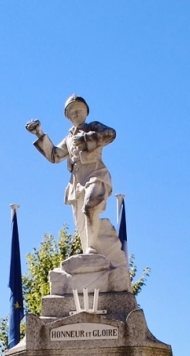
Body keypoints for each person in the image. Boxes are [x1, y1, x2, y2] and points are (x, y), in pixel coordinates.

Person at [26, 95, 125, 265]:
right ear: (68, 116)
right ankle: (89, 251)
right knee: (80, 222)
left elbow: (110, 134)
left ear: (86, 111)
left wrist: (87, 139)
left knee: (90, 206)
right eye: (72, 111)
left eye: (79, 109)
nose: (76, 113)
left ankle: (92, 250)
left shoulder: (92, 126)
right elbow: (55, 156)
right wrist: (39, 133)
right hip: (76, 182)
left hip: (96, 174)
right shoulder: (69, 138)